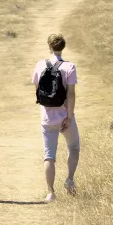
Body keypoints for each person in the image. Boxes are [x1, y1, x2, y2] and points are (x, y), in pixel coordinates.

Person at [32, 33, 80, 202]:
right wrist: (69, 116)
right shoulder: (69, 67)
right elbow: (71, 94)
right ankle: (69, 180)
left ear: (49, 46)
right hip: (64, 117)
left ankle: (51, 192)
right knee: (73, 147)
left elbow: (38, 90)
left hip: (46, 118)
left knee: (49, 156)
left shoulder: (39, 65)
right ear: (63, 47)